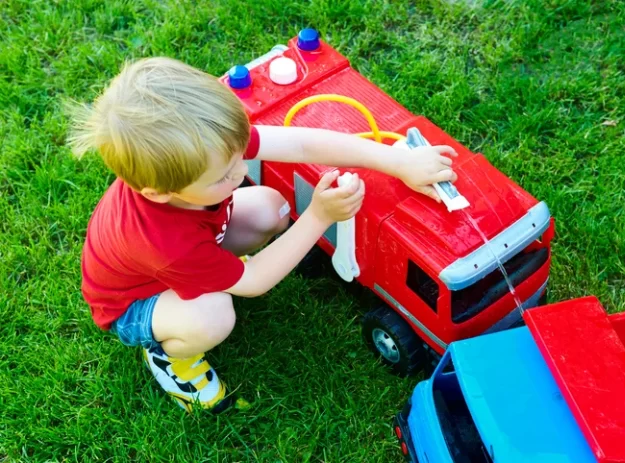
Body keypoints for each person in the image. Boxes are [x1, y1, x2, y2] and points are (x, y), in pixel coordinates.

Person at [69, 56, 457, 413]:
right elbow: (253, 281)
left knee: (271, 208)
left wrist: (398, 161)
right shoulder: (167, 244)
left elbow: (300, 142)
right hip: (136, 301)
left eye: (239, 157)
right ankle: (172, 358)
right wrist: (319, 216)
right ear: (159, 193)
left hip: (193, 253)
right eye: (223, 176)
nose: (239, 173)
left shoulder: (210, 151)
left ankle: (214, 275)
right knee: (214, 315)